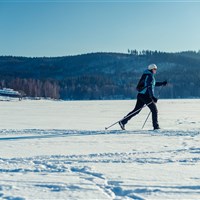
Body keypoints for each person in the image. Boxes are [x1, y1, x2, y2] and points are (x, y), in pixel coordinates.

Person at [119, 64, 167, 130]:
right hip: (145, 96)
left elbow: (153, 84)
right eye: (155, 69)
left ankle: (123, 121)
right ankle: (156, 126)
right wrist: (152, 97)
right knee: (154, 110)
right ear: (152, 69)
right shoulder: (149, 76)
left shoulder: (147, 75)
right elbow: (149, 86)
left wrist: (162, 83)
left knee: (136, 111)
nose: (156, 70)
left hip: (141, 95)